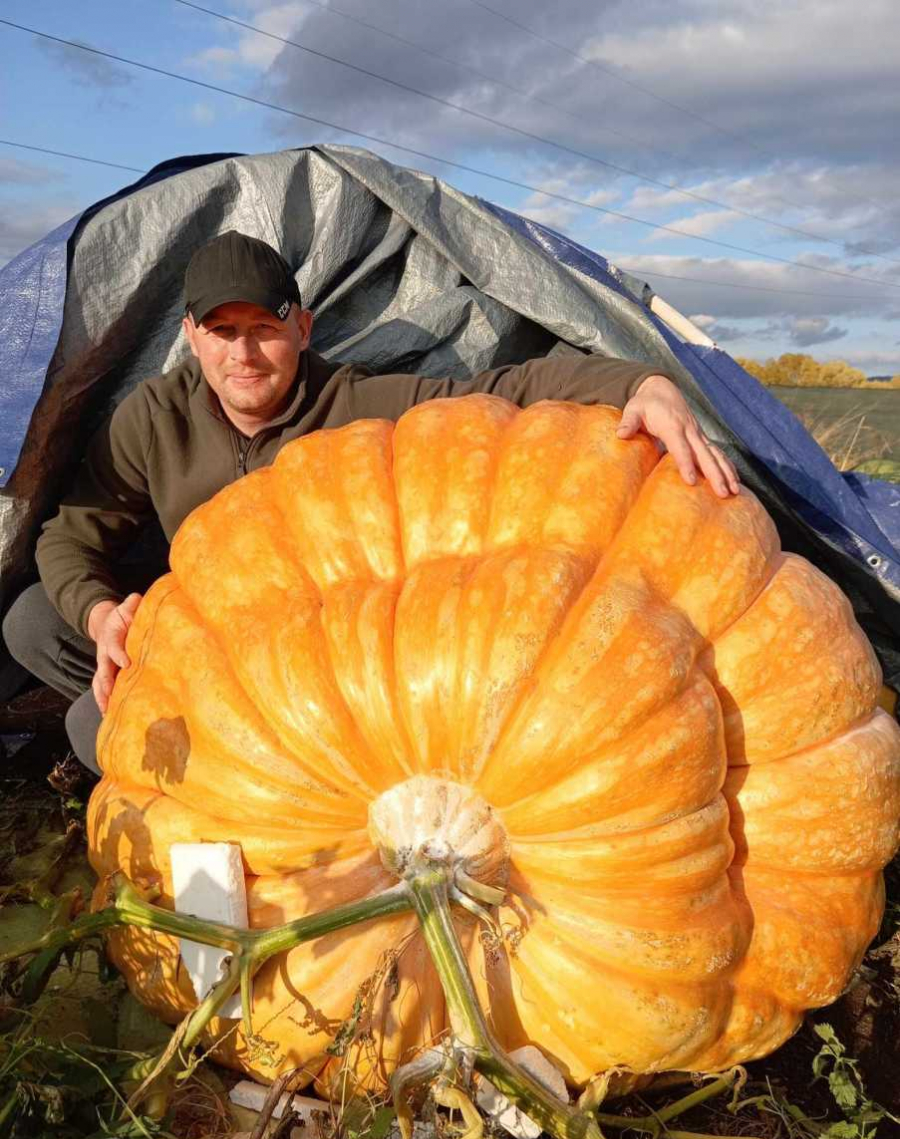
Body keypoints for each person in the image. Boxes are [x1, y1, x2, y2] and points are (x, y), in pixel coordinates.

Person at [2, 231, 739, 775]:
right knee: (32, 618)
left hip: (309, 664)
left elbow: (504, 393)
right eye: (222, 332)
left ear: (301, 328)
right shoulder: (154, 415)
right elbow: (70, 535)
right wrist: (104, 616)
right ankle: (177, 724)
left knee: (86, 726)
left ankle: (240, 770)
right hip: (207, 631)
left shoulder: (358, 406)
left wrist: (642, 384)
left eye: (263, 330)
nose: (243, 355)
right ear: (191, 335)